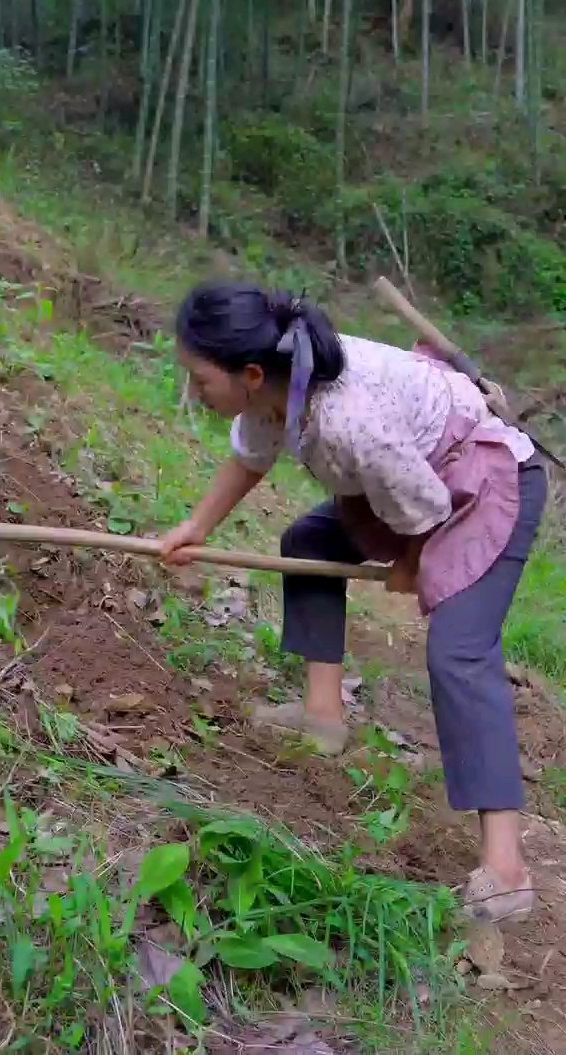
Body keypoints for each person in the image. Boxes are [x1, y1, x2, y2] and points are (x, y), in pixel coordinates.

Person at [159, 282, 547, 925]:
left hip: (481, 480)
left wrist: (409, 564)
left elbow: (426, 507)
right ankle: (322, 714)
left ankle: (506, 870)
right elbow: (248, 460)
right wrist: (196, 529)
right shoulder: (276, 389)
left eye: (199, 380)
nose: (194, 392)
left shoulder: (344, 421)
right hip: (412, 476)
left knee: (459, 652)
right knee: (309, 541)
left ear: (250, 375)